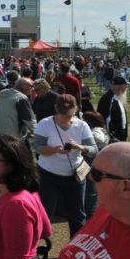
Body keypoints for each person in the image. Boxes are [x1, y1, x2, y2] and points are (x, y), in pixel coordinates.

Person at [34, 94, 98, 237]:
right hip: (48, 174)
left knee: (77, 215)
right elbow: (38, 148)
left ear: (76, 109)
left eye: (69, 114)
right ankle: (36, 248)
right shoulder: (44, 124)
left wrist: (81, 147)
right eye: (63, 114)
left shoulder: (82, 125)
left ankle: (76, 247)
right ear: (56, 109)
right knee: (44, 213)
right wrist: (54, 150)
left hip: (74, 175)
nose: (66, 118)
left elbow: (94, 150)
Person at [0, 76, 36, 146]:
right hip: (11, 140)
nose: (33, 88)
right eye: (31, 86)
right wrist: (39, 133)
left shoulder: (4, 96)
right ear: (23, 86)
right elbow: (29, 121)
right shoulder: (20, 98)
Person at [96, 76, 129, 141]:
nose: (126, 88)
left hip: (120, 134)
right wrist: (111, 136)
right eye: (125, 86)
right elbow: (105, 118)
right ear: (121, 86)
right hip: (113, 137)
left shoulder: (118, 97)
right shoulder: (108, 99)